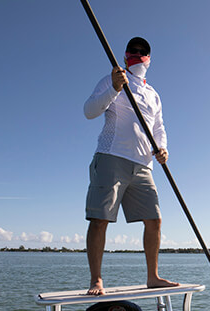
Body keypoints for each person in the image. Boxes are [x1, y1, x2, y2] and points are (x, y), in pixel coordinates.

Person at [83, 36, 178, 295]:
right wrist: (114, 88)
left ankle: (153, 277)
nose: (138, 54)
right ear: (125, 56)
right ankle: (96, 280)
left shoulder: (153, 94)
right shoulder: (113, 77)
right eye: (133, 51)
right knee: (100, 219)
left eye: (143, 51)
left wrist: (163, 148)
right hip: (111, 157)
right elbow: (89, 111)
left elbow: (159, 127)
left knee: (155, 220)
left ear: (149, 59)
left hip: (144, 165)